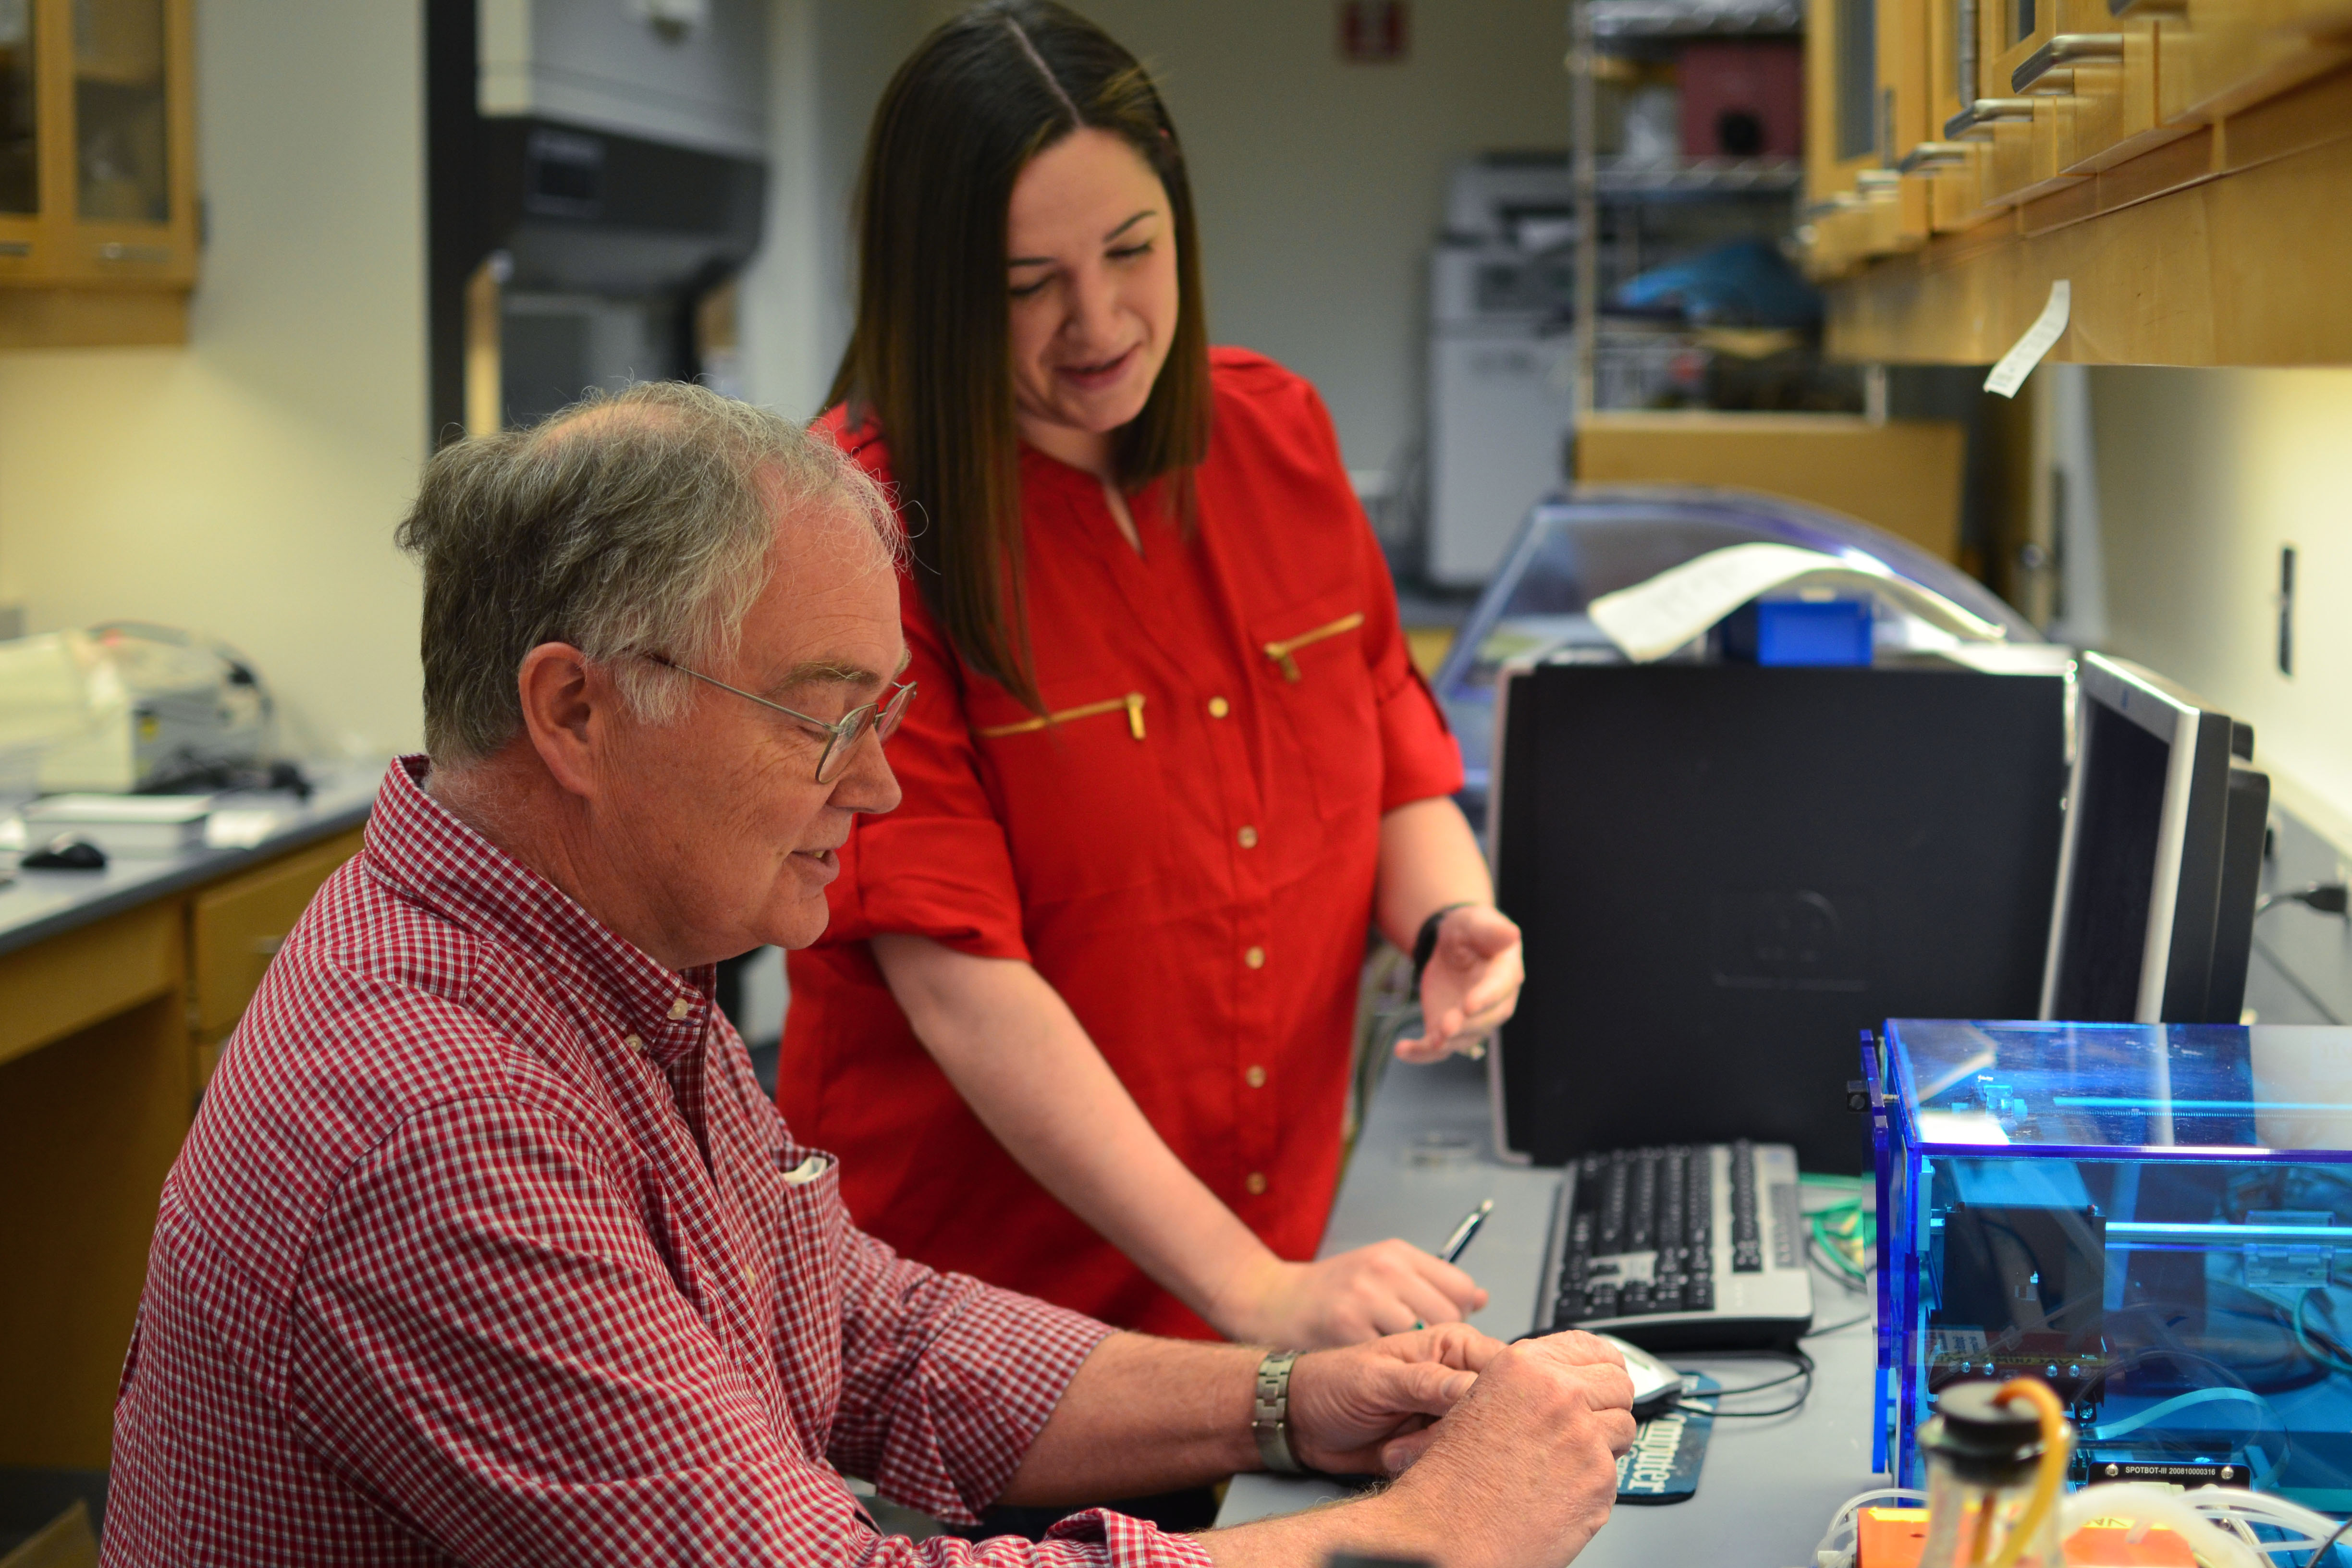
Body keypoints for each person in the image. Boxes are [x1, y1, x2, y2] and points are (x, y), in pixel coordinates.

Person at [95, 384, 1635, 1568]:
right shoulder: (436, 1119)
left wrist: (1285, 1400)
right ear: (574, 711)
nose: (884, 790)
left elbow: (867, 1332)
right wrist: (1419, 1535)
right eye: (827, 719)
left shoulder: (598, 962)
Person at [778, 0, 1527, 1353]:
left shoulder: (1277, 434)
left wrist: (1445, 919)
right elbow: (959, 980)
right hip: (985, 1337)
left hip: (1280, 1280)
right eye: (1026, 286)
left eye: (1134, 250)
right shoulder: (863, 536)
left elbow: (1384, 736)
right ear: (935, 286)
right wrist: (1253, 1291)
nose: (1100, 321)